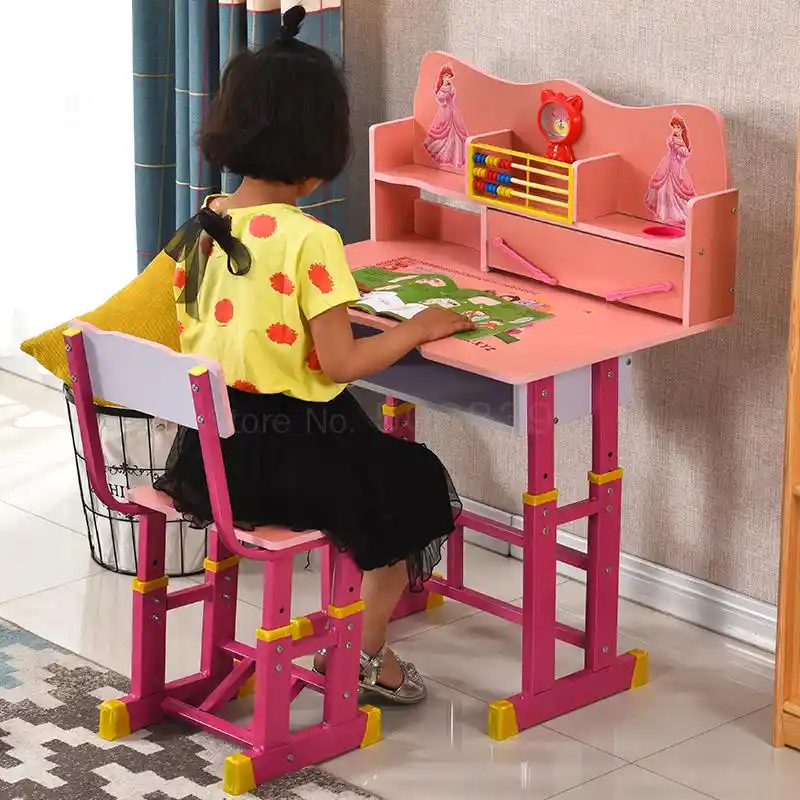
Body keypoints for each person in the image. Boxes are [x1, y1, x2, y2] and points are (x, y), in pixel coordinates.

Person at [154, 5, 473, 706]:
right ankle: (364, 653)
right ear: (317, 151)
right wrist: (417, 329)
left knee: (384, 477)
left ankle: (355, 633)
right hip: (295, 455)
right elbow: (341, 364)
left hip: (215, 459)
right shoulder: (309, 241)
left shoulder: (203, 225)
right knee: (418, 485)